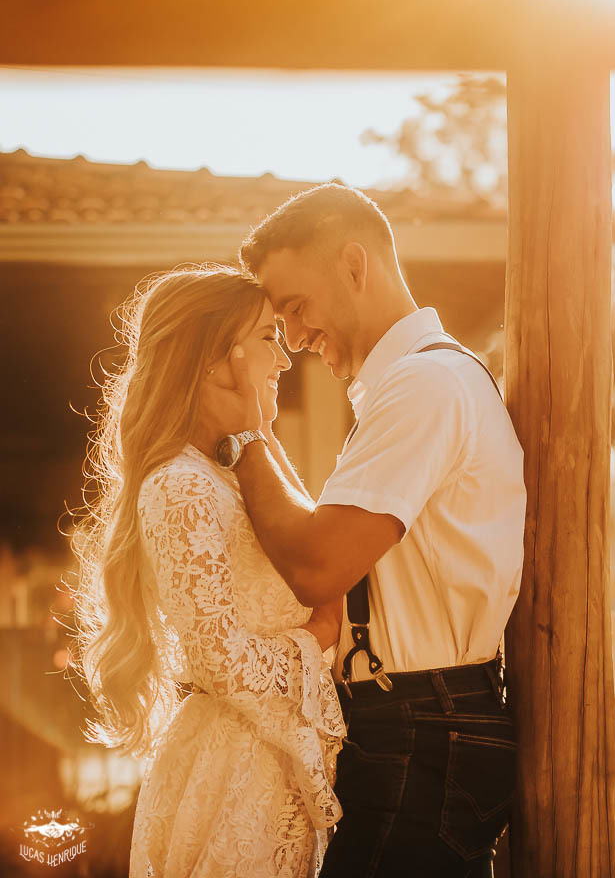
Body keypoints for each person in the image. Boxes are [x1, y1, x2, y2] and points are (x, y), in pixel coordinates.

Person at [204, 184, 527, 877]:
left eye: (295, 308)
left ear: (356, 265)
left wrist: (242, 434)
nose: (291, 338)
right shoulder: (408, 389)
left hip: (424, 728)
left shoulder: (427, 387)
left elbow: (319, 566)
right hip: (418, 723)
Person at [72, 264, 346, 878]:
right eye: (267, 338)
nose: (284, 359)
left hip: (264, 762)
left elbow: (307, 545)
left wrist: (259, 433)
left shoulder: (226, 474)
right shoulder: (180, 487)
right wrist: (321, 636)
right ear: (213, 359)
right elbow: (219, 657)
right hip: (236, 775)